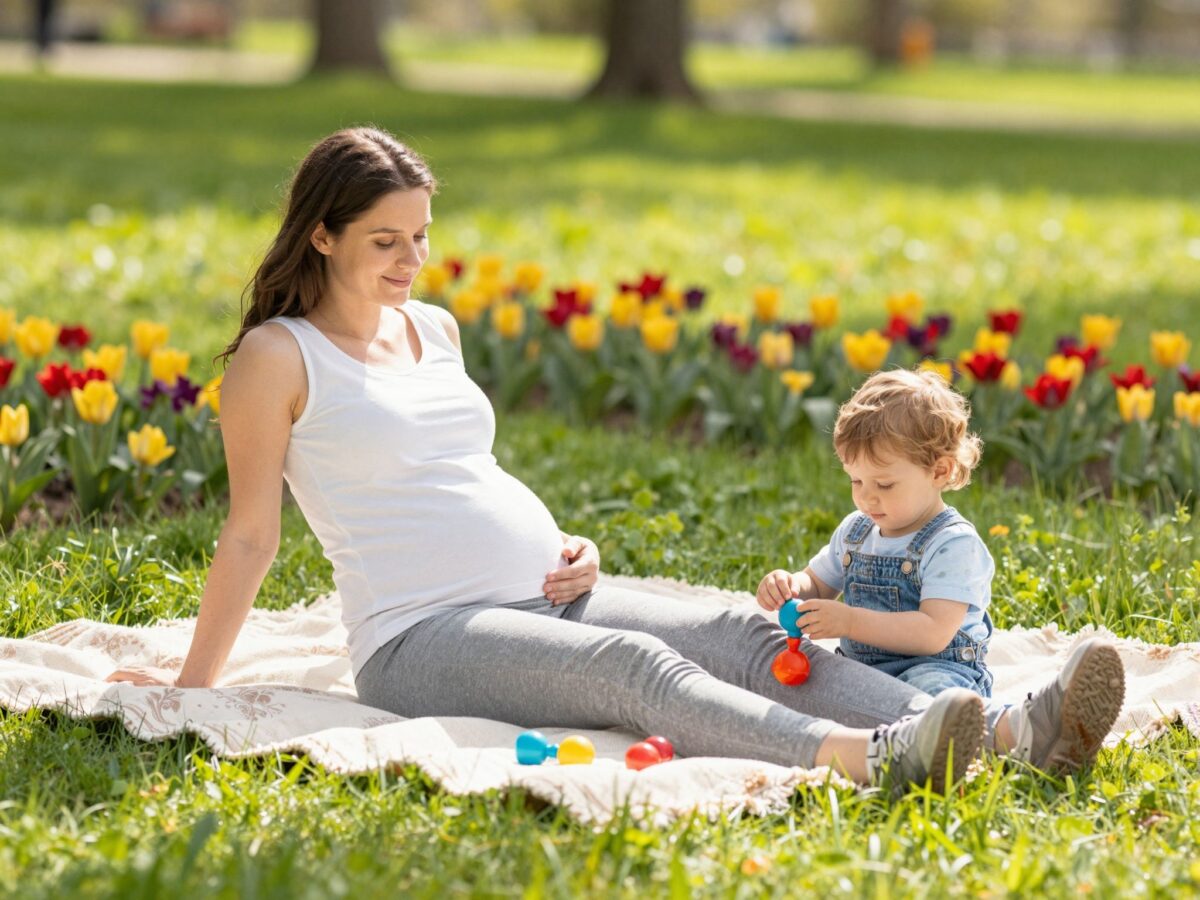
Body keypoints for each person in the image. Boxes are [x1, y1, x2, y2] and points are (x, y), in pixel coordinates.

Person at [107, 127, 1126, 796]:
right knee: (632, 668)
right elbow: (250, 533)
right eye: (385, 242)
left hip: (546, 587)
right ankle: (872, 758)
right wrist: (196, 681)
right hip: (420, 635)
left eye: (420, 238)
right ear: (321, 235)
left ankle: (1006, 731)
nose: (411, 262)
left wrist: (567, 543)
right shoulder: (276, 358)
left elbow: (460, 475)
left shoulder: (435, 330)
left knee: (740, 627)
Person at [757, 368, 995, 698]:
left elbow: (933, 632)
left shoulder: (953, 545)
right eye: (856, 481)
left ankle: (985, 726)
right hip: (861, 671)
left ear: (939, 471)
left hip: (935, 668)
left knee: (934, 695)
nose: (867, 497)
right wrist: (790, 587)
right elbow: (818, 586)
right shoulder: (856, 531)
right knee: (802, 682)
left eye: (884, 484)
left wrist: (850, 622)